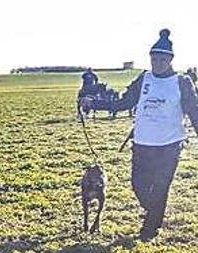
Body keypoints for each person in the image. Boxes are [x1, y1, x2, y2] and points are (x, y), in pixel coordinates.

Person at [82, 30, 198, 240]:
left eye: (162, 59)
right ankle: (154, 213)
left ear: (171, 59)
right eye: (154, 58)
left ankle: (150, 231)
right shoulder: (144, 79)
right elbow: (124, 103)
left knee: (161, 188)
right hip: (142, 144)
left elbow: (194, 113)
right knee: (139, 186)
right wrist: (95, 103)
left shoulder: (182, 82)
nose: (158, 63)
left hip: (169, 146)